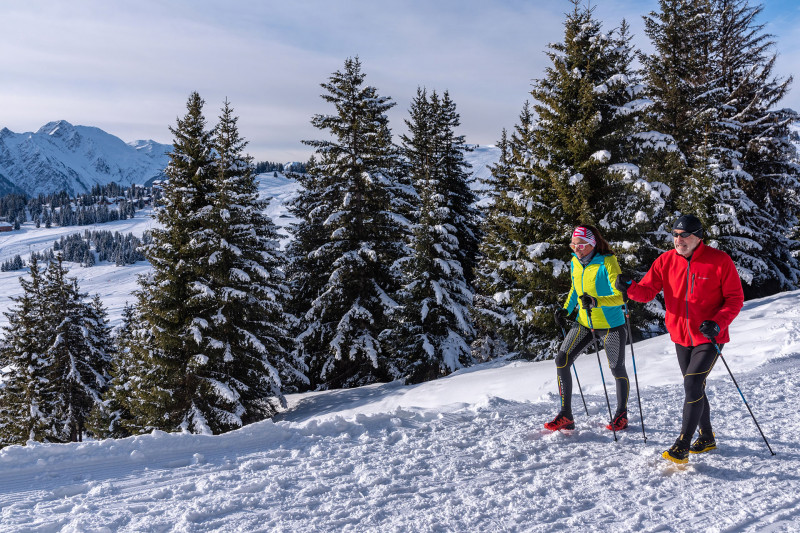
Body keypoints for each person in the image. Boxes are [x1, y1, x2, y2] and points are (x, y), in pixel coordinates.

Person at [616, 214, 744, 464]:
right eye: (675, 234)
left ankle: (682, 444)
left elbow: (734, 299)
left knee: (692, 385)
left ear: (699, 237)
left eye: (684, 235)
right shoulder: (665, 260)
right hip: (680, 336)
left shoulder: (719, 261)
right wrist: (629, 286)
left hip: (710, 336)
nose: (679, 240)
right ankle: (706, 437)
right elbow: (646, 292)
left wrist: (717, 322)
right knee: (694, 386)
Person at [545, 225, 630, 432]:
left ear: (592, 244)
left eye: (581, 245)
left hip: (611, 325)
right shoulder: (575, 262)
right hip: (585, 322)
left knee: (616, 368)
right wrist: (566, 309)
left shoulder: (607, 262)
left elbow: (621, 297)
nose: (577, 249)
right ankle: (566, 415)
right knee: (562, 360)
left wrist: (596, 301)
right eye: (573, 245)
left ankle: (621, 414)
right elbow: (575, 288)